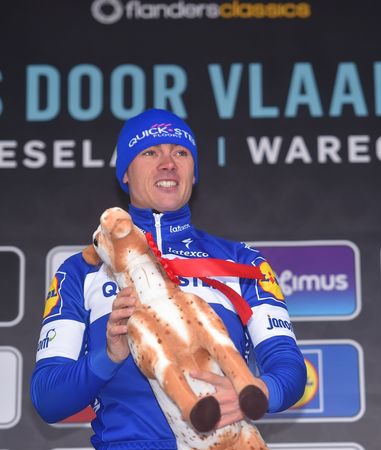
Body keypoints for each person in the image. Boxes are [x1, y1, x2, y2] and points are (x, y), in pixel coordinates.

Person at [31, 108, 307, 450]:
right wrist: (110, 355)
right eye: (150, 153)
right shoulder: (79, 271)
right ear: (125, 173)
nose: (168, 164)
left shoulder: (241, 261)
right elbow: (48, 398)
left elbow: (287, 365)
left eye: (180, 153)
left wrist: (257, 393)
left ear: (193, 172)